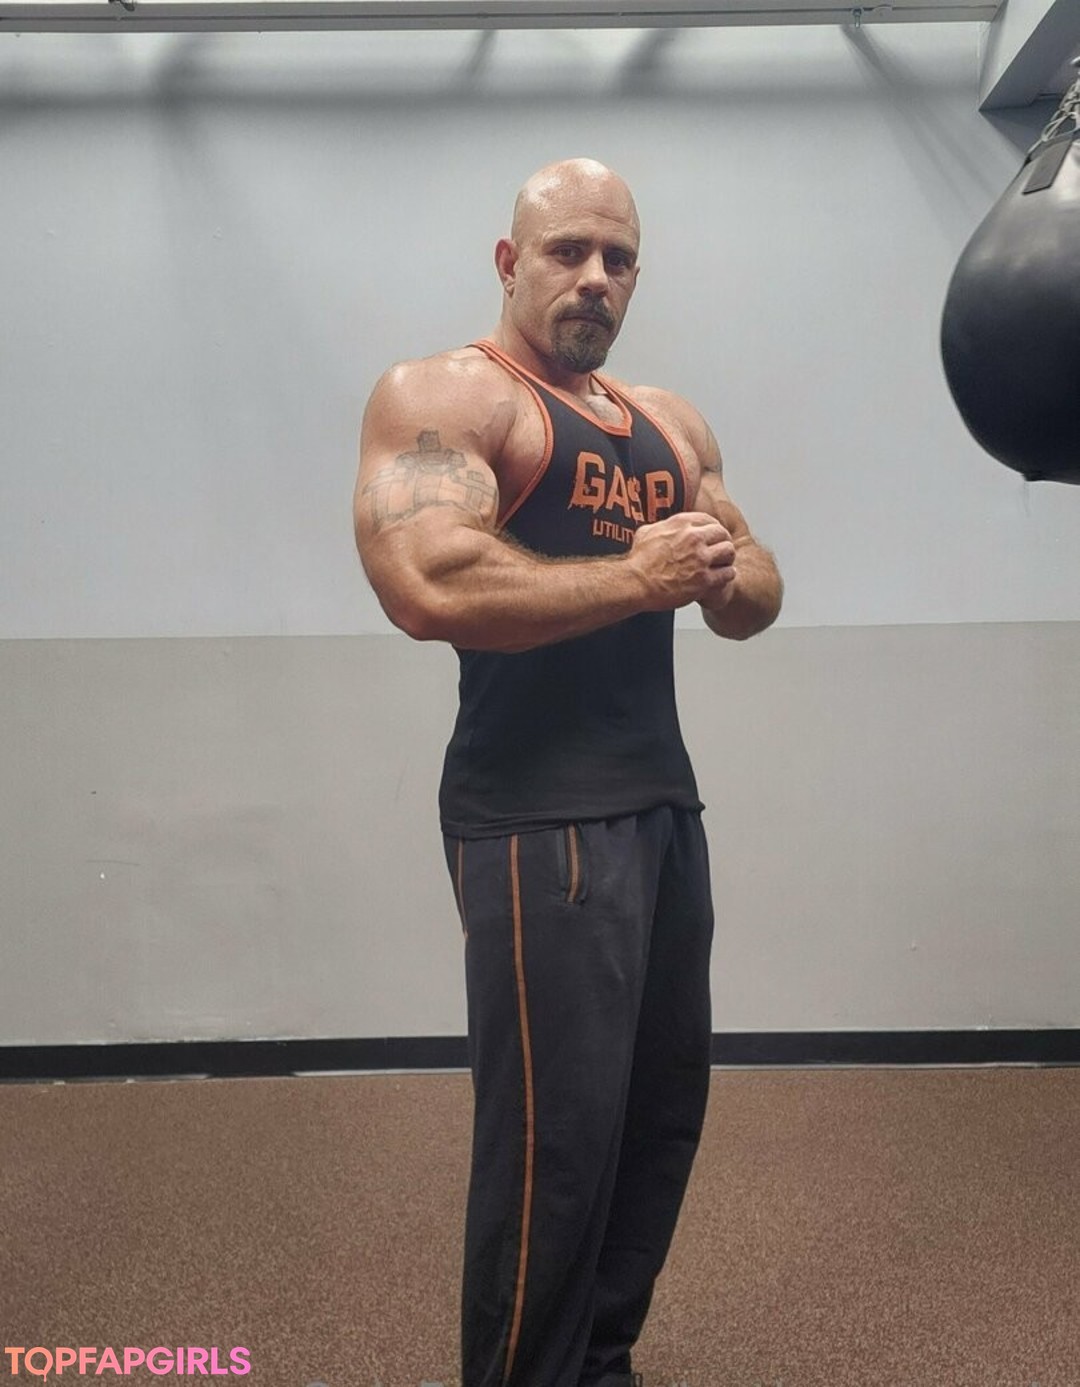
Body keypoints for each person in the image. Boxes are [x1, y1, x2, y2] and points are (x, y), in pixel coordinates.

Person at [353, 158, 783, 1387]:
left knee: (658, 1116)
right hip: (537, 820)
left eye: (619, 259)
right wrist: (641, 578)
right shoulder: (449, 396)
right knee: (557, 1143)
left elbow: (755, 588)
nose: (596, 277)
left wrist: (718, 575)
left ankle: (598, 1359)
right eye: (568, 251)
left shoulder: (669, 421)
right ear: (509, 262)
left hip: (662, 808)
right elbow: (427, 581)